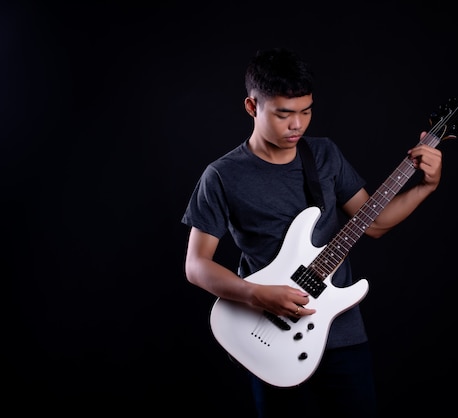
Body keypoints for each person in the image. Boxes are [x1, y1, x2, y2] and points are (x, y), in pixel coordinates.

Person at [181, 47, 443, 418]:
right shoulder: (222, 175)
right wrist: (257, 295)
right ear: (252, 107)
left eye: (306, 112)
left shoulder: (324, 155)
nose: (297, 126)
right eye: (284, 114)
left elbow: (376, 224)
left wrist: (425, 187)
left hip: (341, 333)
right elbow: (196, 265)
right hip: (268, 336)